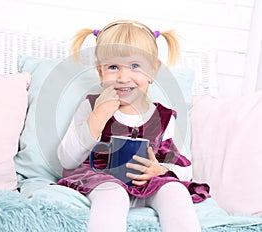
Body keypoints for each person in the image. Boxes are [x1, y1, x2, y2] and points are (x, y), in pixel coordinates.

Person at [57, 19, 210, 232]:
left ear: (153, 71)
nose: (123, 76)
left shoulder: (163, 116)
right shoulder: (92, 105)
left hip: (147, 183)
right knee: (113, 193)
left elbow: (184, 168)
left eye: (135, 66)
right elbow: (67, 158)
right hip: (100, 179)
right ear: (101, 73)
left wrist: (160, 169)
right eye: (113, 67)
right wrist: (98, 117)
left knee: (175, 191)